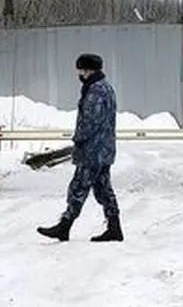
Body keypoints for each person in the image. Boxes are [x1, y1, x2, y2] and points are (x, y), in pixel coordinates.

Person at [37, 53, 123, 243]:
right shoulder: (106, 88)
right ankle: (114, 227)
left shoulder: (95, 91)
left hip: (93, 151)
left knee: (78, 187)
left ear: (86, 70)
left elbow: (90, 121)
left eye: (79, 69)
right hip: (104, 149)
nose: (78, 73)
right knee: (103, 189)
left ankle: (64, 226)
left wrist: (78, 139)